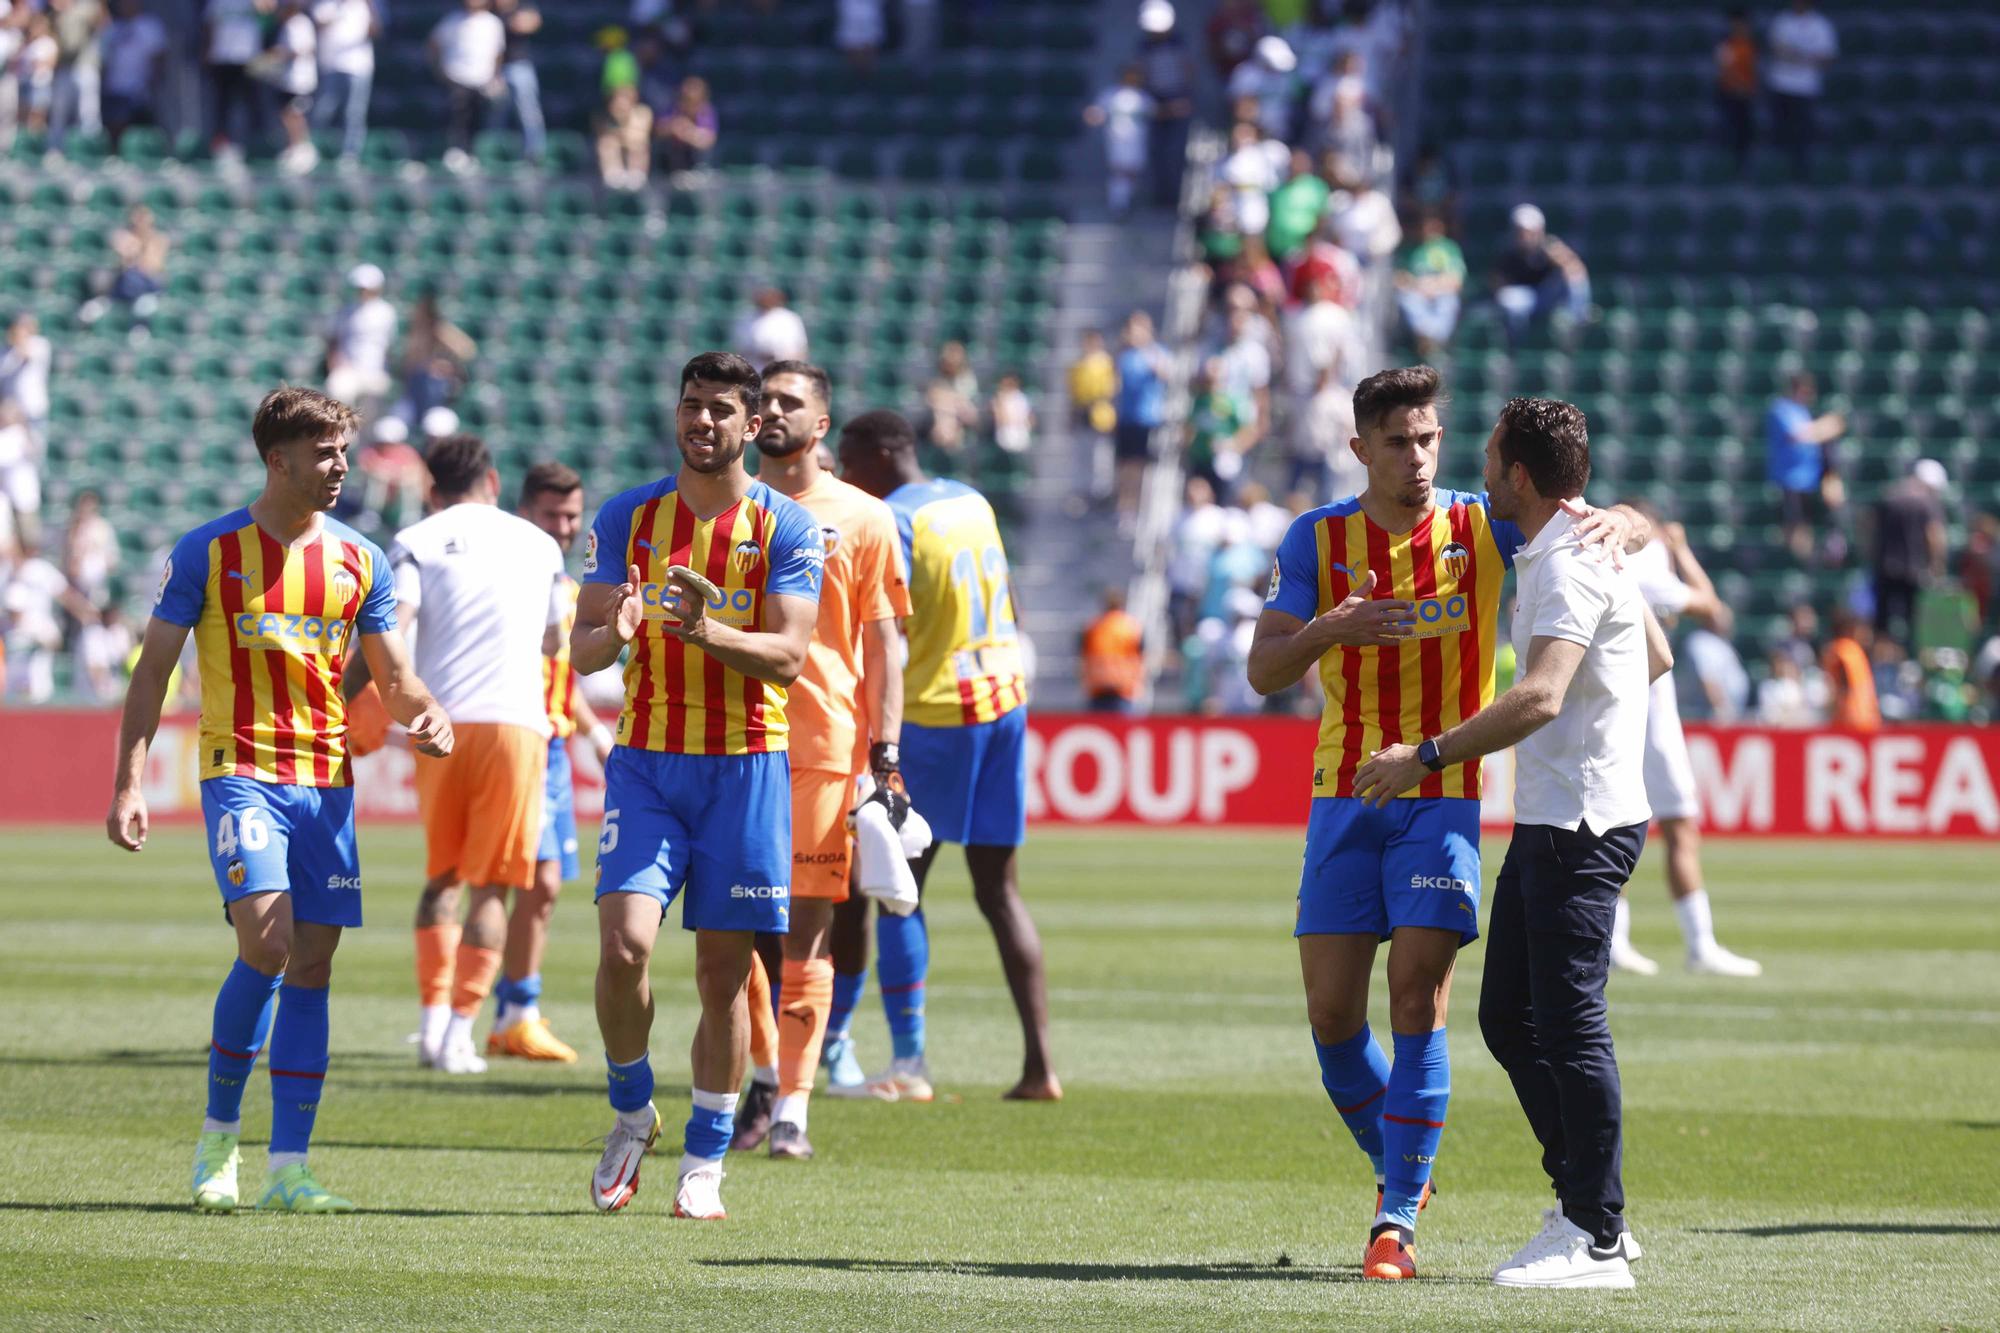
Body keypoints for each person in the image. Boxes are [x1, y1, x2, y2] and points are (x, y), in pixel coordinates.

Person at [1247, 368, 1645, 1282]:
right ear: (1360, 449)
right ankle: (1406, 1164)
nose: (1420, 457)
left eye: (1429, 438)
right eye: (1399, 441)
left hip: (1444, 793)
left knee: (1419, 994)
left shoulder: (1480, 524)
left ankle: (1394, 1223)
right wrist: (1329, 628)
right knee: (1332, 1017)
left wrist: (1630, 518)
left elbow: (1579, 514)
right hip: (1344, 794)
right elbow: (1264, 669)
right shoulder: (1318, 538)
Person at [106, 385, 453, 1214]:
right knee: (267, 940)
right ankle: (218, 1141)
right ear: (279, 460)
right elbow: (153, 670)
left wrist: (426, 711)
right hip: (241, 771)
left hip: (326, 783)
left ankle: (287, 1167)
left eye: (344, 451)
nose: (341, 467)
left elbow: (396, 678)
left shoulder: (360, 560)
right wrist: (128, 779)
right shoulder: (208, 551)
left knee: (314, 962)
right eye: (326, 454)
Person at [1351, 396, 1667, 1290]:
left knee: (1569, 1025)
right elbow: (1655, 658)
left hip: (1581, 822)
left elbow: (1540, 697)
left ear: (1517, 473)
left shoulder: (1572, 559)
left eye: (1489, 456)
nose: (1480, 469)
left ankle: (1595, 1235)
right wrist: (1630, 538)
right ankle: (1585, 1198)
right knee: (1508, 1020)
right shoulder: (1580, 541)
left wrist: (1427, 755)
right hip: (1559, 816)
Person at [572, 351, 825, 1220]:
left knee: (722, 977)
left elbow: (790, 656)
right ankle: (631, 1107)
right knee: (624, 948)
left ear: (752, 426)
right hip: (647, 762)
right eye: (691, 405)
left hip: (747, 767)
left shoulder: (787, 527)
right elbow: (581, 649)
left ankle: (705, 1164)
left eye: (721, 409)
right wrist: (620, 625)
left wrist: (705, 630)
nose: (702, 421)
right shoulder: (628, 515)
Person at [836, 408, 1060, 1102]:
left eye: (849, 463)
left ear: (879, 454)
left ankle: (909, 1063)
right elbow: (1011, 602)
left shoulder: (894, 520)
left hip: (939, 713)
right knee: (999, 891)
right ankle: (1040, 1066)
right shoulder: (969, 499)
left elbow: (888, 625)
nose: (845, 479)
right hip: (1003, 701)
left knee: (896, 886)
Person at [727, 361, 909, 1160]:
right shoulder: (724, 506)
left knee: (804, 933)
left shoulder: (865, 518)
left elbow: (883, 644)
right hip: (727, 743)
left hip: (821, 747)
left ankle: (793, 1103)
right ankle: (766, 1069)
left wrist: (887, 753)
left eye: (788, 402)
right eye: (763, 400)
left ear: (821, 423)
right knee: (734, 933)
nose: (771, 411)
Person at [368, 434, 567, 1075]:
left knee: (443, 877)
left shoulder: (418, 541)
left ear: (432, 489)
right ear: (494, 481)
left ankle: (430, 1024)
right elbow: (555, 638)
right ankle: (459, 1032)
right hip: (513, 724)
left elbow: (389, 631)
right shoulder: (539, 545)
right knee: (494, 887)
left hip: (439, 722)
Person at [500, 461, 614, 1062]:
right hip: (516, 742)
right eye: (553, 515)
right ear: (526, 514)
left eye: (572, 516)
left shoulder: (567, 591)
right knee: (526, 880)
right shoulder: (509, 585)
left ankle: (508, 1010)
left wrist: (593, 731)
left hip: (554, 745)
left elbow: (561, 675)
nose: (565, 527)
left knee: (538, 885)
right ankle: (506, 1012)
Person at [1615, 515, 1763, 978]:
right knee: (1679, 824)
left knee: (1611, 824)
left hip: (1607, 710)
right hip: (1650, 713)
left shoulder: (1598, 558)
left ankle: (1613, 941)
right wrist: (1679, 548)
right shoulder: (1644, 559)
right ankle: (1700, 944)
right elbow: (1711, 606)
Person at [1764, 371, 1846, 563]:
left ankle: (1807, 563)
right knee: (1795, 525)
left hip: (1810, 478)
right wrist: (1827, 427)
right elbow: (1798, 435)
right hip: (1790, 479)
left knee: (1810, 524)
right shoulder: (1781, 409)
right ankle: (1794, 562)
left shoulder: (1803, 411)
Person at [1870, 458, 1947, 651]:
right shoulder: (1927, 502)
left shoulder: (1890, 496)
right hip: (1913, 572)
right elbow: (1934, 535)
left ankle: (1881, 661)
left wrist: (1872, 555)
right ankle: (1910, 660)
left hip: (1884, 568)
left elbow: (1868, 526)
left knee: (1882, 625)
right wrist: (1937, 566)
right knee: (1916, 625)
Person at [1492, 204, 1590, 345]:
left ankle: (1576, 323)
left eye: (1530, 232)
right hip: (1527, 298)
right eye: (1521, 231)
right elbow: (1497, 283)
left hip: (1550, 296)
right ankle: (1516, 345)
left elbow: (1577, 272)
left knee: (1576, 279)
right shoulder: (1509, 253)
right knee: (1507, 299)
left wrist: (1560, 259)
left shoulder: (1552, 248)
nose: (1525, 236)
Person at [429, 0, 506, 176]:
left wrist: (495, 76)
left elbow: (498, 52)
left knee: (478, 119)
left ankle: (472, 155)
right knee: (457, 118)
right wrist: (440, 70)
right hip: (457, 77)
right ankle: (455, 153)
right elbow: (433, 44)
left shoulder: (493, 23)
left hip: (482, 80)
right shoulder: (453, 20)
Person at [1765, 0, 1835, 174]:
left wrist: (1795, 55)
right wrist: (1808, 57)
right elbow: (1777, 51)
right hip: (1780, 85)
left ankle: (1800, 173)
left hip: (1806, 88)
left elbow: (1827, 59)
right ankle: (1775, 172)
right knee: (1779, 132)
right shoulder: (1782, 21)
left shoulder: (1821, 25)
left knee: (1803, 134)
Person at [1136, 0, 1194, 207]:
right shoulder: (1144, 46)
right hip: (1154, 100)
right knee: (1156, 152)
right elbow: (1142, 74)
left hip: (1178, 99)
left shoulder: (1179, 43)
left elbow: (1187, 71)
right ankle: (1161, 196)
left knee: (1176, 152)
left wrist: (1184, 99)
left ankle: (1176, 196)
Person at [310, 0, 378, 165]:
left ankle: (350, 155)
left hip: (358, 67)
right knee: (323, 110)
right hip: (331, 65)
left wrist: (370, 8)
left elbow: (376, 31)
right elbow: (317, 26)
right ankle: (312, 150)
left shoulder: (365, 5)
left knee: (354, 113)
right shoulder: (325, 4)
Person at [1082, 63, 1154, 217]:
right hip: (1117, 138)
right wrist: (1092, 116)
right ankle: (1118, 204)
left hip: (1137, 139)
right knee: (1120, 171)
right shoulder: (1110, 94)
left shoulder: (1142, 96)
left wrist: (1175, 108)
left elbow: (1156, 111)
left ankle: (1127, 200)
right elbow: (1097, 113)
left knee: (1133, 171)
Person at [324, 263, 396, 413]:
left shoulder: (386, 312)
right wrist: (335, 363)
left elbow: (389, 347)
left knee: (372, 411)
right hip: (349, 369)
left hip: (376, 371)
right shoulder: (345, 311)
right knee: (338, 392)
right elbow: (333, 341)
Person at [99, 0, 167, 154]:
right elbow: (104, 61)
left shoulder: (150, 26)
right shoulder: (112, 29)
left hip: (140, 90)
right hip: (115, 90)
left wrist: (153, 83)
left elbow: (159, 58)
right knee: (115, 130)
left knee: (144, 132)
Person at [1395, 213, 1465, 357]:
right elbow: (1399, 278)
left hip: (1442, 292)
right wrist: (1418, 285)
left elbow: (1456, 280)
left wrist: (1434, 286)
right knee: (1408, 300)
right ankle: (1428, 338)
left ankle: (1433, 340)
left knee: (1448, 301)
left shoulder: (1449, 248)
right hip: (1417, 292)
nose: (1430, 230)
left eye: (1435, 226)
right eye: (1426, 226)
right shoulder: (1411, 249)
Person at [202, 0, 264, 155]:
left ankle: (255, 145)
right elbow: (209, 25)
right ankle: (221, 146)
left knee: (253, 105)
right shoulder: (216, 2)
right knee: (222, 105)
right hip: (223, 58)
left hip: (250, 59)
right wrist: (207, 51)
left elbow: (268, 11)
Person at [491, 0, 542, 163]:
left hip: (519, 65)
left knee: (528, 112)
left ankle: (534, 154)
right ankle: (494, 155)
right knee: (496, 114)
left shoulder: (523, 7)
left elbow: (531, 23)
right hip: (494, 69)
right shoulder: (490, 10)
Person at [1080, 585, 1143, 713]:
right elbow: (1140, 656)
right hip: (1123, 688)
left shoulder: (1093, 626)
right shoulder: (1131, 627)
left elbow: (1083, 655)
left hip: (1097, 687)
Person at [1714, 7, 1757, 171]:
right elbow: (1724, 70)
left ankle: (1743, 166)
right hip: (1730, 94)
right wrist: (1739, 85)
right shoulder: (1726, 45)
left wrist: (1747, 88)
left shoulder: (1751, 45)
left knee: (1745, 133)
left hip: (1747, 96)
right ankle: (1726, 166)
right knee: (1729, 130)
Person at [1823, 608, 1879, 731]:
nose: (1865, 633)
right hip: (1853, 717)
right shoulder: (1846, 648)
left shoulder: (1840, 648)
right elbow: (1844, 682)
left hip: (1857, 717)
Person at [734, 284, 807, 368]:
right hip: (754, 368)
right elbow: (739, 349)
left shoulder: (789, 318)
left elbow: (800, 350)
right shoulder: (745, 317)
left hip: (782, 369)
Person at [595, 82, 651, 190]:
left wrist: (623, 122)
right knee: (607, 143)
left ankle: (636, 176)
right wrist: (618, 119)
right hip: (617, 152)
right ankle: (613, 176)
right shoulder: (601, 116)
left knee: (638, 144)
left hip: (634, 150)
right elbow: (602, 134)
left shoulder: (643, 112)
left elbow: (640, 136)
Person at [656, 74, 715, 172]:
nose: (689, 105)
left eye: (694, 102)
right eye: (685, 100)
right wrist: (673, 128)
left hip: (696, 160)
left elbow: (708, 141)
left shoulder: (706, 112)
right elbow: (658, 130)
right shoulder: (673, 109)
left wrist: (689, 133)